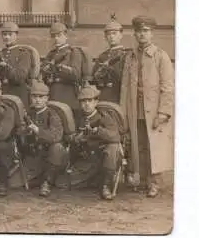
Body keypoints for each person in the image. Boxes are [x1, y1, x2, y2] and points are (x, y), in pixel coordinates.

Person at [120, 15, 174, 198]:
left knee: (154, 146)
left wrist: (164, 112)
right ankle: (143, 179)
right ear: (134, 34)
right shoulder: (130, 56)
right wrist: (123, 112)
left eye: (146, 31)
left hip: (155, 109)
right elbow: (125, 87)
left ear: (152, 33)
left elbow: (168, 87)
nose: (142, 35)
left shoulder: (161, 56)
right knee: (140, 144)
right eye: (139, 31)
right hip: (136, 107)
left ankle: (155, 183)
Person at [73, 85, 122, 200]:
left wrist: (98, 131)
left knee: (113, 147)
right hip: (87, 158)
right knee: (64, 184)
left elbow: (115, 136)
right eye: (83, 101)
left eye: (90, 101)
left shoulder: (104, 117)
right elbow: (69, 137)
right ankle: (93, 179)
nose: (86, 104)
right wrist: (77, 138)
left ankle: (106, 185)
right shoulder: (78, 118)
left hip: (102, 157)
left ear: (96, 102)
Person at [21, 81, 66, 197]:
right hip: (33, 156)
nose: (37, 100)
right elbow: (18, 132)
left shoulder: (53, 114)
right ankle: (40, 178)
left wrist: (37, 130)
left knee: (57, 147)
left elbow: (56, 136)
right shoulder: (28, 114)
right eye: (34, 96)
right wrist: (25, 132)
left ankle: (47, 182)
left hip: (49, 157)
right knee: (14, 183)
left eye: (41, 97)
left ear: (47, 98)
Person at [41, 21, 84, 126]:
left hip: (67, 95)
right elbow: (43, 73)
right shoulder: (51, 54)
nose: (56, 39)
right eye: (54, 36)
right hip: (52, 94)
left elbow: (76, 75)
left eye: (59, 35)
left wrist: (59, 68)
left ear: (66, 35)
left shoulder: (73, 52)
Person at [0, 22, 35, 109]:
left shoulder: (24, 53)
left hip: (18, 94)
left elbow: (20, 77)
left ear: (16, 35)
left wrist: (6, 67)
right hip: (2, 92)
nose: (7, 37)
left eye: (10, 34)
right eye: (4, 34)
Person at [92, 14, 129, 103]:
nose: (111, 37)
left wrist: (110, 69)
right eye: (108, 34)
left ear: (121, 35)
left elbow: (126, 78)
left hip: (120, 96)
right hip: (104, 95)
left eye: (114, 33)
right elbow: (94, 80)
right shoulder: (102, 56)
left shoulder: (126, 55)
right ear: (105, 37)